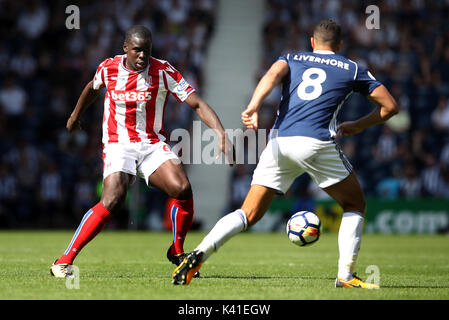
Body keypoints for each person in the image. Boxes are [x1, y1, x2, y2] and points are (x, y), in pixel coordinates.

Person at [172, 19, 398, 288]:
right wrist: (357, 126)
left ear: (312, 42)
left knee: (248, 213)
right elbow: (390, 107)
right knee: (354, 205)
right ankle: (346, 275)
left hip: (279, 143)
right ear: (339, 45)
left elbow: (270, 76)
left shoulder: (291, 57)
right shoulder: (352, 68)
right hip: (317, 142)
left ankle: (199, 253)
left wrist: (254, 106)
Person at [50, 25, 232, 278]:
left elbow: (197, 102)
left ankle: (177, 251)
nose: (142, 56)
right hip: (118, 142)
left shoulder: (163, 70)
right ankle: (63, 260)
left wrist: (221, 133)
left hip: (151, 144)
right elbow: (92, 88)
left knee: (182, 188)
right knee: (113, 199)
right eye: (137, 50)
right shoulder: (109, 67)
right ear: (126, 47)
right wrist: (74, 116)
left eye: (146, 51)